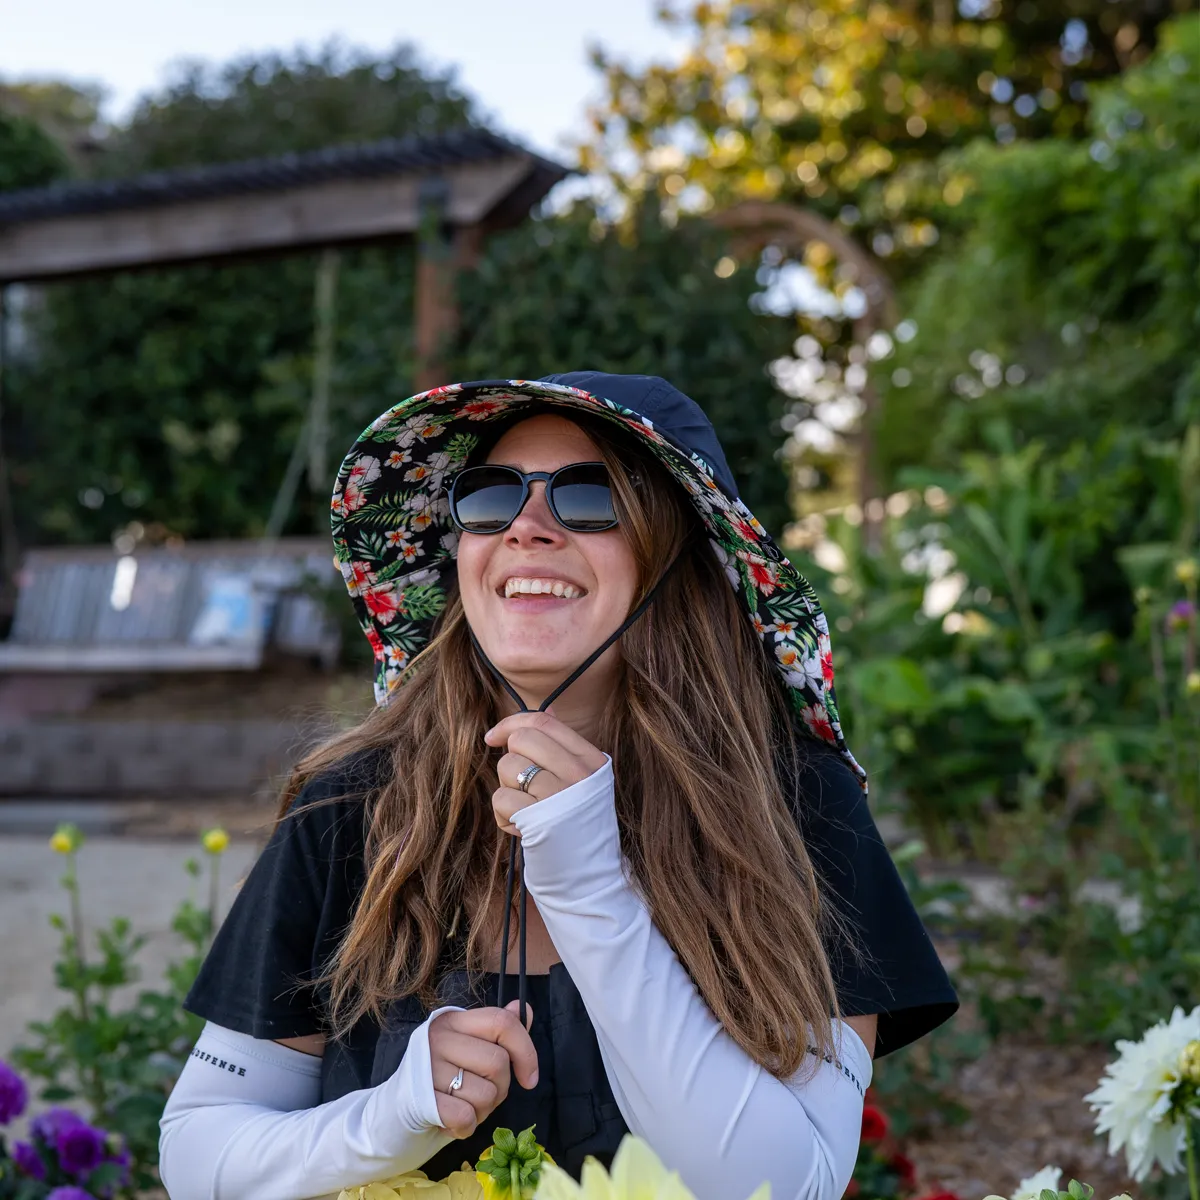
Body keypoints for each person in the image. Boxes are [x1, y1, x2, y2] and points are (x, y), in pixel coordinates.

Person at [159, 373, 958, 1200]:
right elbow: (198, 1154)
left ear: (681, 554)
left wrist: (590, 885)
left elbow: (788, 1184)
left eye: (589, 497)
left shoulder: (796, 804)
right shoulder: (355, 807)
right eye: (489, 496)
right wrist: (390, 1115)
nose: (526, 528)